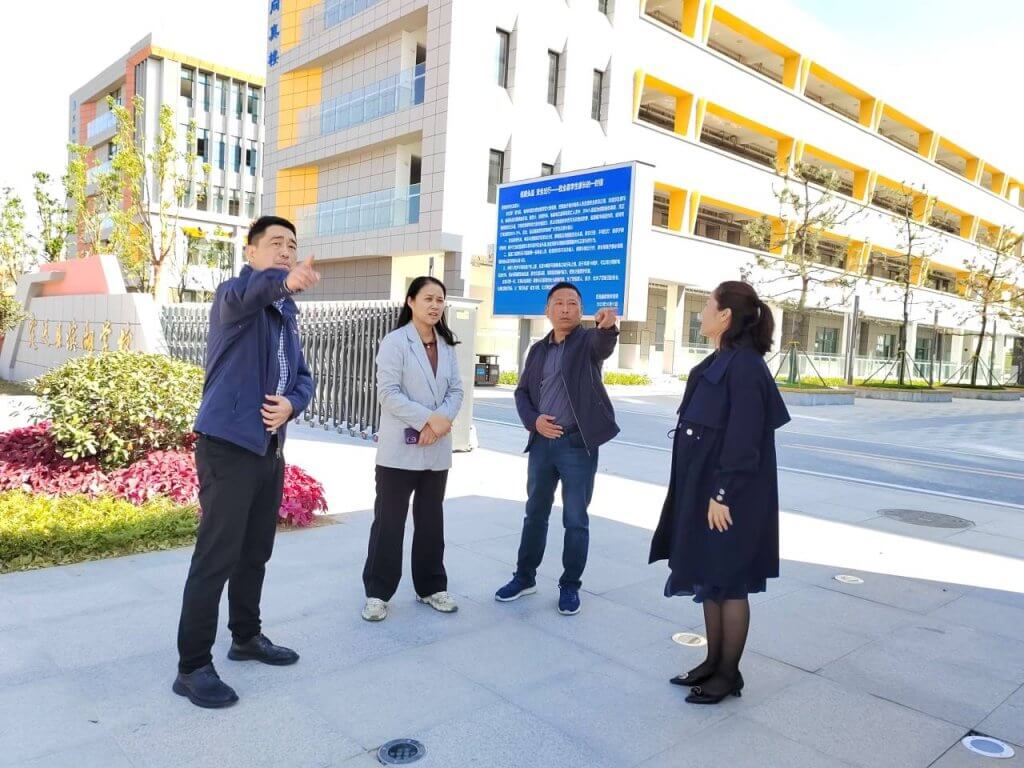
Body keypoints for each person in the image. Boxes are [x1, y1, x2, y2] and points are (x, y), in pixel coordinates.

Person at [173, 216, 319, 709]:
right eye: (275, 243)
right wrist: (283, 281)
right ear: (251, 252)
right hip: (228, 446)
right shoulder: (233, 296)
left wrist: (291, 404)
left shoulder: (286, 316)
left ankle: (246, 637)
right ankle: (192, 667)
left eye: (292, 245)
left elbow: (303, 377)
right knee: (216, 557)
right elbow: (255, 290)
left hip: (268, 449)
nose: (286, 251)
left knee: (255, 551)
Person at [649, 281, 790, 705]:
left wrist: (722, 493)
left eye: (707, 306)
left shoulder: (745, 366)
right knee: (710, 575)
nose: (701, 314)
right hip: (705, 488)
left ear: (725, 315)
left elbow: (745, 438)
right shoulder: (722, 358)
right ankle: (714, 661)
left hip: (729, 495)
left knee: (729, 582)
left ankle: (729, 674)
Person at [495, 281, 620, 616]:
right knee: (535, 512)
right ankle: (524, 577)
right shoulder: (538, 350)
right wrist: (534, 421)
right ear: (547, 310)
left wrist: (608, 326)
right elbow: (522, 393)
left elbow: (603, 344)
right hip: (542, 445)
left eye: (573, 303)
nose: (566, 309)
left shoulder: (587, 342)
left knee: (575, 518)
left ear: (581, 310)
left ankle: (570, 585)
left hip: (577, 444)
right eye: (559, 303)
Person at [361, 276, 465, 622]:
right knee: (389, 523)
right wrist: (429, 420)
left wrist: (440, 423)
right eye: (428, 299)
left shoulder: (446, 344)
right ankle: (378, 593)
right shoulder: (395, 342)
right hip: (399, 451)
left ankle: (431, 587)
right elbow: (388, 394)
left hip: (436, 449)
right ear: (411, 301)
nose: (435, 306)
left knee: (432, 521)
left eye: (440, 300)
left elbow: (456, 390)